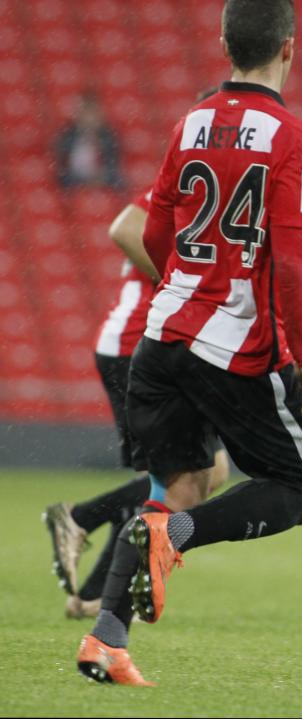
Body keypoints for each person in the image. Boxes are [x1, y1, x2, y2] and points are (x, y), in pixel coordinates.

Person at [75, 0, 302, 687]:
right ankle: (174, 538)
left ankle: (106, 638)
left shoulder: (190, 123)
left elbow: (156, 231)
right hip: (235, 344)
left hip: (160, 340)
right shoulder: (294, 138)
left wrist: (191, 287)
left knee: (179, 482)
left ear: (225, 45)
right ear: (290, 47)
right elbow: (291, 257)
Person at [44, 183, 230, 620]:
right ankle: (80, 518)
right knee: (189, 476)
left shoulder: (213, 185)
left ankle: (89, 593)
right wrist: (186, 287)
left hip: (152, 346)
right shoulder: (197, 183)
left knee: (178, 479)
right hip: (138, 345)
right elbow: (125, 228)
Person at [54, 92, 124, 190]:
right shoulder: (68, 135)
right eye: (86, 114)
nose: (90, 119)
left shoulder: (108, 137)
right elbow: (63, 161)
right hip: (74, 178)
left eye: (93, 114)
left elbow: (112, 162)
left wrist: (101, 175)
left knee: (119, 181)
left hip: (103, 177)